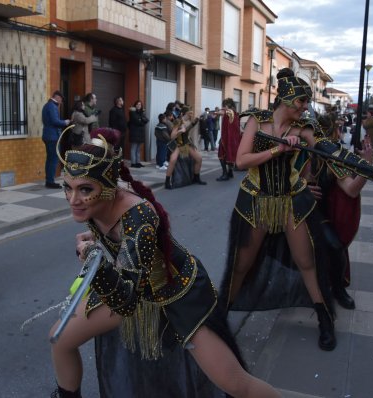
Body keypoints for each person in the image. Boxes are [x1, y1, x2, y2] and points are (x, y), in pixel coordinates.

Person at [48, 127, 280, 398]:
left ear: (109, 187)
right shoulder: (95, 202)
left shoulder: (138, 218)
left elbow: (125, 301)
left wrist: (95, 263)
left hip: (177, 293)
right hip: (132, 284)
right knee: (59, 339)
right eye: (68, 187)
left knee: (236, 384)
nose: (74, 199)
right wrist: (97, 240)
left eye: (85, 189)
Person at [219, 68, 373, 351]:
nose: (305, 107)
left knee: (308, 263)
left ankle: (325, 318)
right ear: (287, 99)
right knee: (241, 266)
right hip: (256, 201)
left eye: (306, 102)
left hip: (292, 200)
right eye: (302, 101)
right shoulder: (257, 121)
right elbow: (241, 162)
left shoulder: (305, 129)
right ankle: (220, 319)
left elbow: (334, 152)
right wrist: (277, 151)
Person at [303, 114, 373, 310]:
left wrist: (367, 166)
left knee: (335, 246)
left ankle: (337, 288)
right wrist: (300, 187)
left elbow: (351, 190)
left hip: (319, 215)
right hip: (293, 211)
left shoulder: (333, 159)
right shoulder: (298, 153)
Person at [164, 107, 207, 189]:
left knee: (199, 158)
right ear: (184, 113)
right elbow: (172, 136)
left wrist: (193, 123)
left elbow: (187, 130)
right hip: (178, 144)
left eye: (191, 113)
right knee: (172, 160)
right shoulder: (178, 121)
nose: (191, 114)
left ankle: (196, 178)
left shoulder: (189, 121)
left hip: (186, 144)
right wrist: (180, 131)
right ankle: (167, 181)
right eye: (189, 113)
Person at [43, 90, 70, 189]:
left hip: (49, 136)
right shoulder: (52, 106)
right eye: (61, 100)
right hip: (52, 137)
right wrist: (65, 122)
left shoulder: (48, 105)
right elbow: (55, 121)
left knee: (50, 159)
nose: (61, 102)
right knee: (53, 159)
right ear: (57, 97)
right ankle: (50, 181)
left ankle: (49, 180)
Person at [216, 98, 241, 181]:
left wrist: (217, 112)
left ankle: (225, 174)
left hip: (228, 139)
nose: (223, 107)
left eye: (224, 105)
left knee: (221, 155)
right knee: (228, 155)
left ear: (228, 105)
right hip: (231, 138)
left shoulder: (230, 112)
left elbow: (226, 112)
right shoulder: (235, 113)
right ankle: (230, 172)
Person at [128, 100, 149, 168]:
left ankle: (138, 162)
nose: (138, 105)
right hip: (134, 132)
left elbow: (146, 120)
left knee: (138, 149)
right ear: (135, 105)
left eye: (140, 104)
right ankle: (133, 163)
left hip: (140, 133)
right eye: (137, 104)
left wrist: (141, 120)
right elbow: (137, 121)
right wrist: (141, 120)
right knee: (134, 148)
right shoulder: (132, 112)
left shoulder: (142, 112)